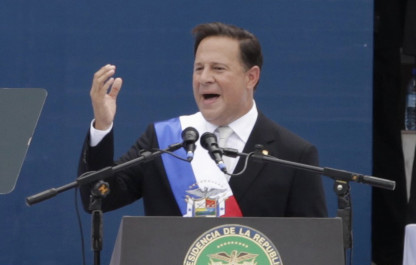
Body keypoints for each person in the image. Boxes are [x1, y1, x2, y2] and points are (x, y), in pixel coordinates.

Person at [78, 22, 327, 218]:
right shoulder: (163, 139)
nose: (204, 78)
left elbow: (311, 246)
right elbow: (98, 198)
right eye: (199, 68)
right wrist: (102, 125)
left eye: (218, 68)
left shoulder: (293, 154)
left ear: (251, 77)